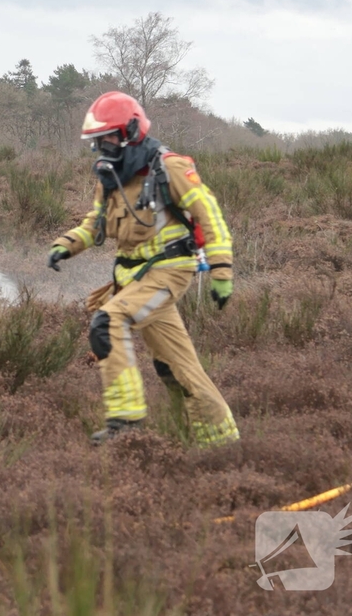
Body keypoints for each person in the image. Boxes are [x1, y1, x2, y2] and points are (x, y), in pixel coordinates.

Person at [48, 92, 240, 448]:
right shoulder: (110, 176)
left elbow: (208, 216)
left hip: (169, 273)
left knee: (108, 322)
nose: (101, 147)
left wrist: (222, 272)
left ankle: (126, 420)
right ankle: (221, 444)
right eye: (96, 141)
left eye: (107, 138)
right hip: (131, 278)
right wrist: (67, 243)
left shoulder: (170, 167)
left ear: (131, 130)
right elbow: (96, 221)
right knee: (176, 367)